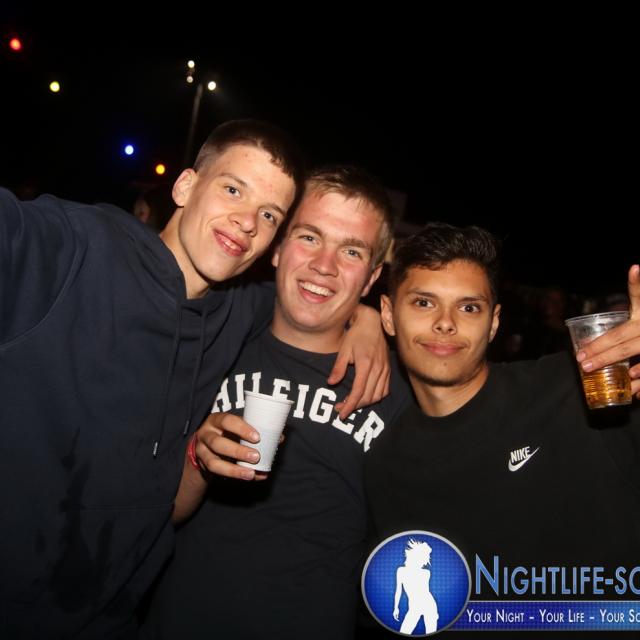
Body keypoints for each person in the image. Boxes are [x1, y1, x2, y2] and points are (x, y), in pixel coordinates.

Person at [0, 121, 389, 639]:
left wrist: (366, 317)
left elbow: (313, 291)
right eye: (233, 189)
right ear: (185, 186)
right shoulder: (75, 247)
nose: (246, 221)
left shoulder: (237, 311)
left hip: (109, 619)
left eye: (268, 215)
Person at [141, 166, 411, 640]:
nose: (324, 265)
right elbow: (149, 515)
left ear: (371, 278)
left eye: (351, 251)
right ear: (278, 248)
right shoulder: (214, 341)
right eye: (309, 237)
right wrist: (199, 458)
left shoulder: (394, 388)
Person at [365, 222, 640, 638]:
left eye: (468, 308)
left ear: (494, 323)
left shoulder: (579, 386)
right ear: (387, 314)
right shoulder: (383, 463)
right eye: (423, 302)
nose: (445, 323)